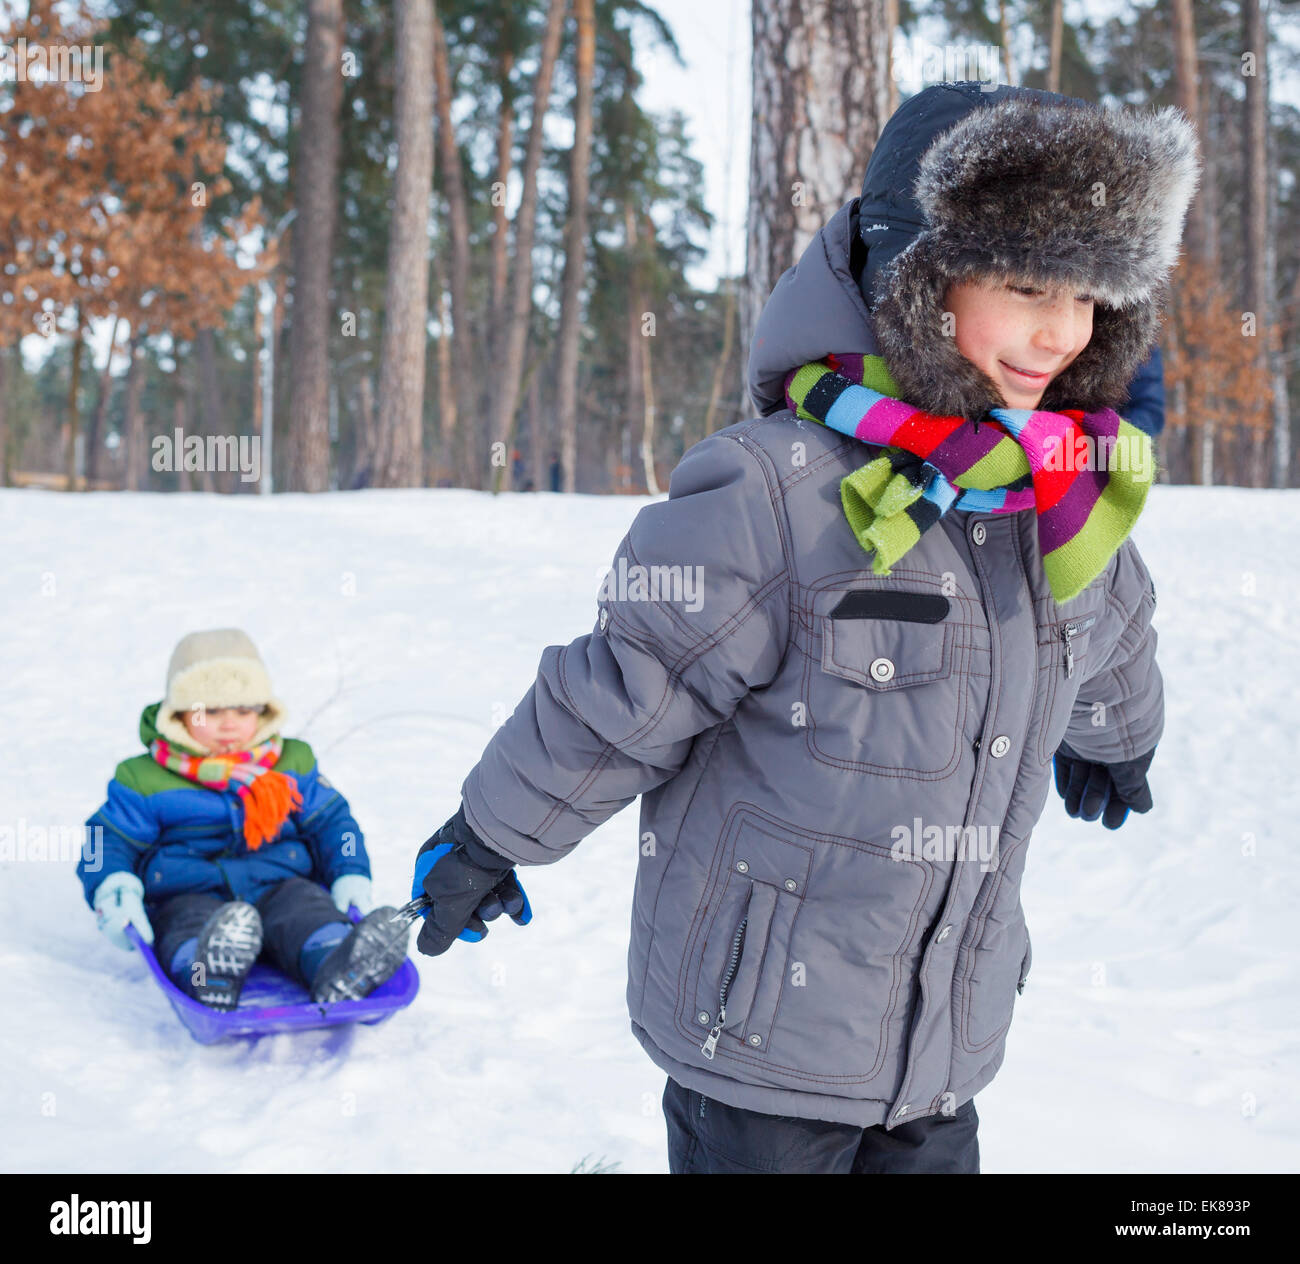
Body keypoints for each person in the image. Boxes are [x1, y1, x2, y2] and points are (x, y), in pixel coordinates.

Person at [407, 82, 1200, 1173]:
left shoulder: (1057, 495)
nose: (1058, 331)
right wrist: (494, 833)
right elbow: (629, 681)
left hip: (946, 1044)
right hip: (758, 1048)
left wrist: (1119, 734)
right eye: (1024, 286)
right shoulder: (776, 490)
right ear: (915, 282)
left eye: (1084, 297)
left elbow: (1110, 620)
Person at [79, 628, 410, 1009]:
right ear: (180, 713)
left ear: (263, 711)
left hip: (280, 883)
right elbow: (104, 839)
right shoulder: (144, 777)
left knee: (308, 914)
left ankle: (338, 965)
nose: (229, 724)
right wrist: (114, 887)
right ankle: (204, 974)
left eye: (243, 710)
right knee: (187, 927)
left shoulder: (292, 763)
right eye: (212, 711)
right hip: (188, 891)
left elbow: (334, 824)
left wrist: (350, 871)